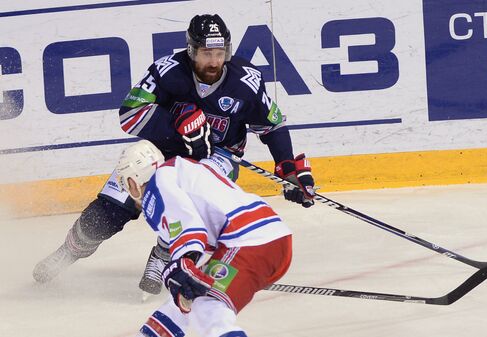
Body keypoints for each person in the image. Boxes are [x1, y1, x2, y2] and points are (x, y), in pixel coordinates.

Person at [32, 14, 314, 296]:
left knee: (192, 194)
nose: (214, 61)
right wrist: (176, 124)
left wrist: (288, 168)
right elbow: (129, 114)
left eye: (219, 53)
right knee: (111, 208)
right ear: (192, 51)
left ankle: (164, 254)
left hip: (218, 155)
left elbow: (273, 125)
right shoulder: (168, 71)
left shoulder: (247, 81)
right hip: (165, 147)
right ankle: (69, 250)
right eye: (206, 53)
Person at [118, 140, 292, 337]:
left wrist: (184, 261)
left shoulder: (157, 185)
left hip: (247, 240)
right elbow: (204, 232)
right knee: (183, 301)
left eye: (127, 183)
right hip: (268, 238)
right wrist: (188, 268)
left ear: (134, 180)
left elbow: (188, 226)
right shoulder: (186, 168)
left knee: (207, 307)